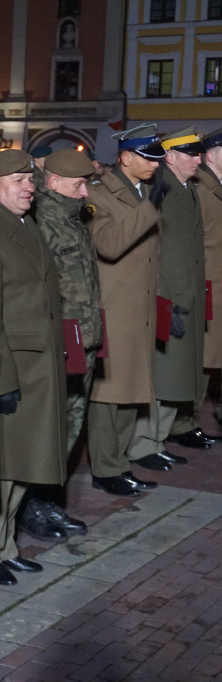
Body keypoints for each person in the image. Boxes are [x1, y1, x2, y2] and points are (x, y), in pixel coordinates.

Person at [0, 149, 68, 586]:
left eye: (31, 180)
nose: (30, 187)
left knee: (25, 459)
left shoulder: (23, 223)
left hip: (39, 360)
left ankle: (5, 545)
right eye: (19, 181)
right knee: (6, 462)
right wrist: (1, 373)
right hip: (14, 363)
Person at [19, 148, 100, 540]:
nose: (85, 192)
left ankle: (50, 501)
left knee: (71, 424)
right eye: (78, 184)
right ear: (53, 183)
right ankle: (33, 507)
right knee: (50, 429)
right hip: (61, 342)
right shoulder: (42, 222)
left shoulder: (72, 219)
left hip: (84, 337)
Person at [85, 125, 167, 496]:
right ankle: (106, 467)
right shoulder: (98, 194)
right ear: (126, 157)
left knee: (134, 388)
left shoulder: (143, 191)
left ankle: (120, 462)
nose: (155, 164)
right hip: (113, 308)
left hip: (140, 306)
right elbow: (108, 244)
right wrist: (150, 208)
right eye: (148, 157)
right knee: (108, 394)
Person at [156, 129, 217, 452]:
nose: (197, 159)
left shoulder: (187, 188)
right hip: (175, 291)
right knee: (169, 369)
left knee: (186, 365)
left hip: (193, 287)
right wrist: (166, 298)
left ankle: (160, 437)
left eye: (198, 153)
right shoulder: (164, 189)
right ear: (170, 156)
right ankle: (157, 439)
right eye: (190, 154)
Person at [196, 127, 222, 424]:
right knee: (205, 358)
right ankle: (187, 422)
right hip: (209, 282)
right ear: (212, 155)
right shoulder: (201, 188)